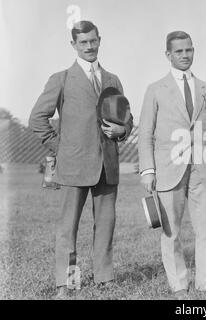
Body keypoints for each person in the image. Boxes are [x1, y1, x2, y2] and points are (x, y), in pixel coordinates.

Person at [29, 21, 133, 298]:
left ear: (100, 40)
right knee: (67, 227)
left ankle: (104, 278)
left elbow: (127, 117)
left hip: (107, 167)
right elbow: (37, 119)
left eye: (93, 41)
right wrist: (61, 148)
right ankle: (68, 283)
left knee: (106, 224)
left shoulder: (113, 79)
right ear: (73, 45)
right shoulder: (61, 79)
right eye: (83, 42)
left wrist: (123, 130)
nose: (89, 47)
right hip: (73, 166)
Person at [138, 31, 206, 298]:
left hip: (202, 169)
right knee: (170, 231)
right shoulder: (155, 89)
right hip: (167, 170)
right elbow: (145, 133)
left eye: (188, 50)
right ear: (168, 55)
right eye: (178, 51)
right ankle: (178, 285)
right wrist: (148, 170)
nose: (185, 55)